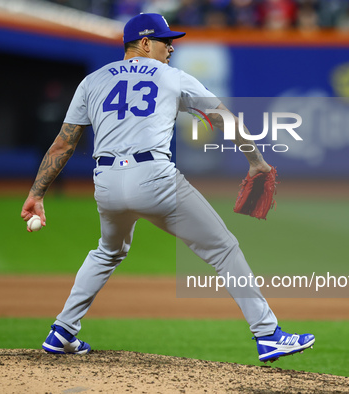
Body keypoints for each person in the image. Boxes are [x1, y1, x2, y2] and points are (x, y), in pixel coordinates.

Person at [20, 13, 315, 363]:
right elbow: (224, 118)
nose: (171, 47)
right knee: (223, 249)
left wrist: (36, 194)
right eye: (165, 41)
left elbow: (63, 145)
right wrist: (257, 161)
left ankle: (63, 331)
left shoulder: (92, 81)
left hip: (107, 184)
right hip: (154, 178)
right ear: (144, 43)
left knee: (107, 251)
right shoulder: (172, 77)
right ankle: (268, 334)